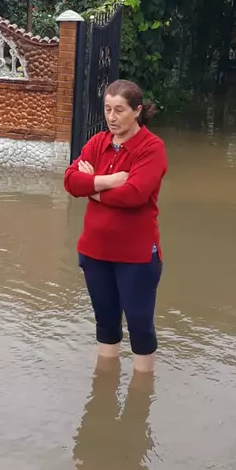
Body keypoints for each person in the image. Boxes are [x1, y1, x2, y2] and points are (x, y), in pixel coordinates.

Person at [64, 79, 167, 374]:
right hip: (95, 252)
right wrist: (108, 181)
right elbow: (71, 181)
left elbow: (134, 194)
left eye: (119, 110)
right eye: (108, 109)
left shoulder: (152, 148)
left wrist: (91, 186)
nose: (111, 117)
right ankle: (105, 389)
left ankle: (141, 396)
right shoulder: (97, 143)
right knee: (106, 323)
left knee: (140, 326)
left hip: (136, 256)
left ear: (136, 111)